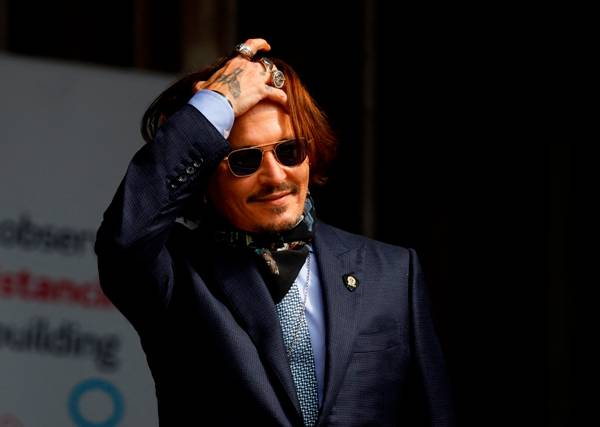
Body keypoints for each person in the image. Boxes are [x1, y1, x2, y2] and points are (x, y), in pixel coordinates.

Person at [95, 38, 455, 426]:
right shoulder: (177, 274)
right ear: (205, 181)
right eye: (244, 161)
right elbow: (125, 237)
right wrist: (215, 105)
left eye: (289, 151)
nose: (275, 176)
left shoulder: (393, 272)